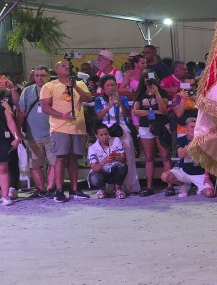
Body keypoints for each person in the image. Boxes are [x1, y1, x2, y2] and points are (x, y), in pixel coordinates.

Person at [39, 61, 93, 202]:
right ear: (56, 70)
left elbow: (88, 99)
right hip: (59, 127)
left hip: (78, 127)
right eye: (63, 66)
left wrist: (76, 87)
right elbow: (45, 107)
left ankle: (74, 189)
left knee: (74, 159)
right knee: (61, 158)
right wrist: (63, 115)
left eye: (68, 66)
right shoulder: (49, 86)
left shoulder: (79, 83)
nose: (67, 67)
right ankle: (59, 190)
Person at [92, 75, 141, 194]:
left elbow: (127, 113)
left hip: (122, 129)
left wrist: (120, 102)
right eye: (108, 85)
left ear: (116, 86)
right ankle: (109, 187)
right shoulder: (99, 99)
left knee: (128, 157)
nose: (111, 87)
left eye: (113, 85)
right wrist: (109, 106)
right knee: (108, 158)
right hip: (106, 131)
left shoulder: (122, 97)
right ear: (103, 87)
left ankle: (130, 186)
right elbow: (99, 115)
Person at [16, 67, 56, 198]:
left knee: (54, 163)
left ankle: (50, 188)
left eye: (43, 75)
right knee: (35, 164)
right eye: (37, 75)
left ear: (48, 77)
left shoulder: (55, 89)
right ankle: (40, 189)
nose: (40, 78)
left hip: (53, 133)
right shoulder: (27, 91)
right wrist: (18, 131)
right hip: (33, 135)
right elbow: (21, 112)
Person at [132, 73, 172, 196]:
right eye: (147, 79)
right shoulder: (140, 93)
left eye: (151, 78)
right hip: (145, 127)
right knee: (149, 157)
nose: (149, 81)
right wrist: (153, 112)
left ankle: (170, 185)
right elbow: (135, 112)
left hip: (161, 125)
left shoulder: (162, 92)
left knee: (165, 156)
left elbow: (163, 110)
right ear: (143, 80)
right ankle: (149, 186)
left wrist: (157, 94)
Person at [162, 117, 215, 198]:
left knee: (209, 194)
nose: (194, 129)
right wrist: (193, 142)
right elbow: (181, 155)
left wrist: (207, 177)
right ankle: (185, 185)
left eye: (196, 127)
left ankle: (198, 187)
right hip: (184, 171)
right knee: (165, 176)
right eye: (192, 127)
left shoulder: (204, 140)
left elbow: (207, 160)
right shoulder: (181, 139)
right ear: (186, 127)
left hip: (199, 173)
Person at [86, 124, 128, 199]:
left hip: (114, 170)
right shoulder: (92, 148)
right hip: (102, 172)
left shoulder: (116, 140)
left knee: (122, 166)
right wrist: (104, 161)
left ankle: (118, 189)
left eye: (106, 134)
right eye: (101, 135)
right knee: (94, 177)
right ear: (96, 136)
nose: (104, 137)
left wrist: (118, 157)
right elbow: (94, 168)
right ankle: (102, 189)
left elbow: (124, 160)